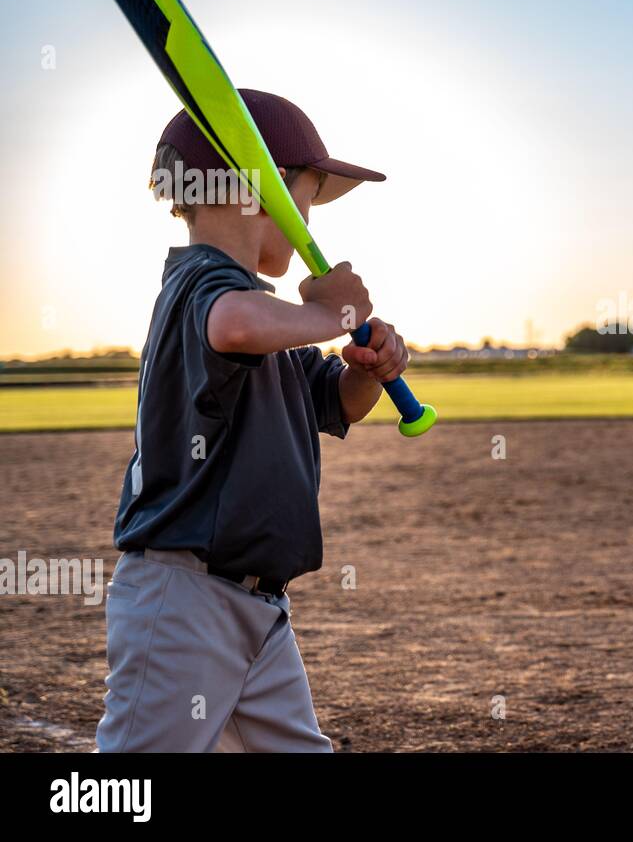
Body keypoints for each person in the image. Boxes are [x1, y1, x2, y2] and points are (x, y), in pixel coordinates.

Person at [97, 90, 410, 752]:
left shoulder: (271, 325)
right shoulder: (201, 284)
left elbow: (339, 403)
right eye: (307, 195)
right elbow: (232, 323)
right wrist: (335, 318)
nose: (309, 221)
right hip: (184, 604)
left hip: (259, 609)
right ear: (257, 187)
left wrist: (370, 366)